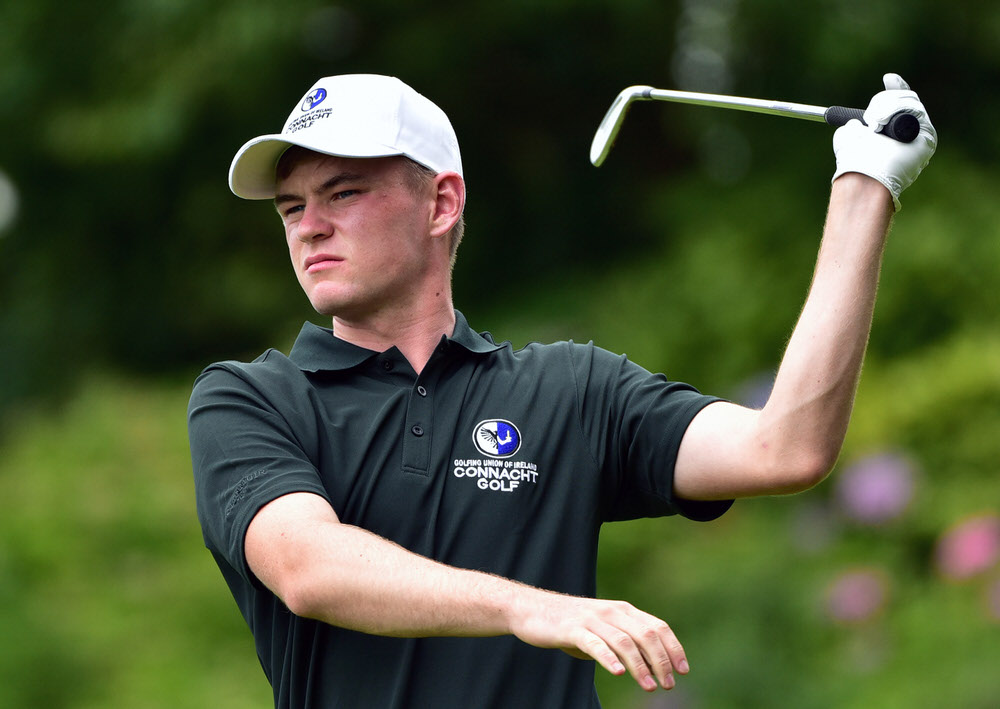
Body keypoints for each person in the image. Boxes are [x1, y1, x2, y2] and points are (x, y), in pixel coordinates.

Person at [188, 72, 936, 708]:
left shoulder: (573, 389)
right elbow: (308, 568)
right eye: (292, 208)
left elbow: (786, 448)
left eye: (341, 193)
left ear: (441, 203)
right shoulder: (251, 398)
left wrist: (864, 186)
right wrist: (528, 606)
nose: (309, 227)